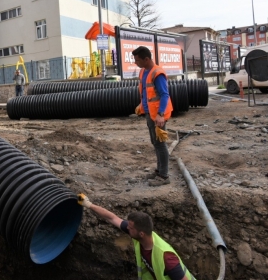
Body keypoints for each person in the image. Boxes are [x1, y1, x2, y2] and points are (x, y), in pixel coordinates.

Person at [78, 194, 195, 280]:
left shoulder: (166, 257)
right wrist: (88, 204)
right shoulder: (139, 237)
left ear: (141, 234)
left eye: (131, 228)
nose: (127, 229)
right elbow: (112, 218)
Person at [132, 46, 173, 186]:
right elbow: (146, 93)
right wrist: (141, 105)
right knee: (155, 143)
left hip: (158, 115)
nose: (135, 63)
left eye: (137, 60)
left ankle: (164, 176)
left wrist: (161, 115)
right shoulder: (144, 72)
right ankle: (159, 171)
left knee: (160, 145)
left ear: (146, 59)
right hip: (150, 114)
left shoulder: (157, 73)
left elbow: (164, 95)